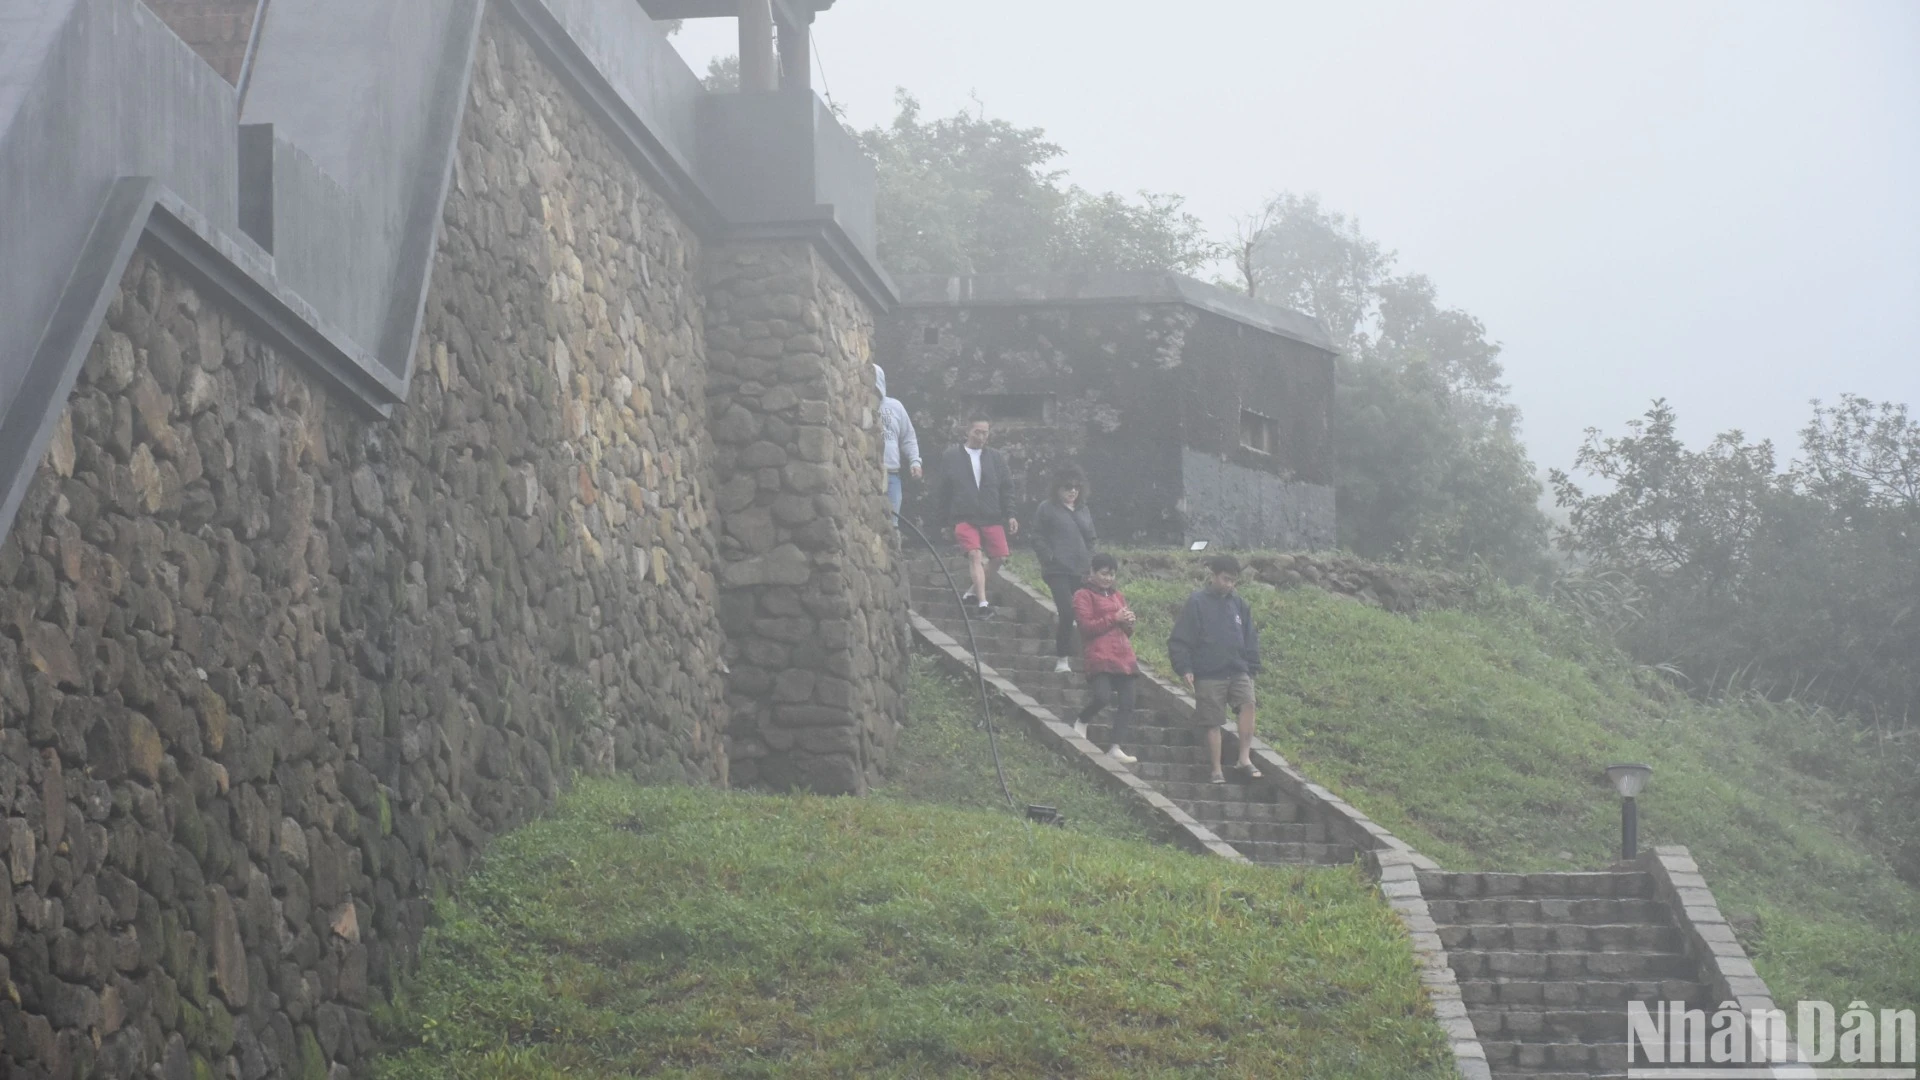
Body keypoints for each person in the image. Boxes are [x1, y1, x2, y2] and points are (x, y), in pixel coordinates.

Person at [1168, 554, 1265, 785]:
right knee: (1213, 721)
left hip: (1238, 668)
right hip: (1209, 671)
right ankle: (1216, 769)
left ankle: (1244, 758)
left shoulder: (1239, 604)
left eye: (1233, 580)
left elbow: (1250, 637)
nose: (1229, 584)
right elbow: (1180, 639)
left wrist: (1252, 666)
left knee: (1248, 704)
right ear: (1213, 576)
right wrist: (1185, 667)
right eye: (1225, 579)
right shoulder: (1197, 602)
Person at [930, 415, 1018, 617]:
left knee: (999, 558)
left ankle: (971, 593)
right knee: (974, 554)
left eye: (985, 432)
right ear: (967, 431)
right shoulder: (952, 456)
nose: (981, 436)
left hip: (991, 514)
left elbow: (1007, 488)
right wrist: (943, 521)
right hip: (963, 515)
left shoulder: (995, 457)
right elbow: (944, 489)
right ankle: (982, 602)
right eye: (977, 432)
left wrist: (1011, 514)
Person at [1072, 553, 1139, 765]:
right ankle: (1082, 720)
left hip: (1123, 655)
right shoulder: (1082, 595)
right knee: (1103, 696)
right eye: (1104, 573)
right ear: (1092, 572)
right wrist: (1114, 618)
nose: (1108, 578)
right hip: (1099, 654)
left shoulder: (1117, 596)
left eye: (1112, 574)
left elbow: (1126, 632)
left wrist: (1128, 622)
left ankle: (1115, 747)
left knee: (1128, 701)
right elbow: (1087, 627)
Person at [1031, 466, 1096, 673]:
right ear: (1058, 488)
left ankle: (1091, 657)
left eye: (1077, 487)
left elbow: (1091, 539)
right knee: (1067, 612)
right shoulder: (1047, 508)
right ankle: (1062, 658)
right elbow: (1037, 536)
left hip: (1081, 570)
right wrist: (1049, 557)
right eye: (1068, 487)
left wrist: (1090, 561)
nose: (1073, 491)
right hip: (1057, 570)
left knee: (1085, 614)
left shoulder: (1083, 510)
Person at [874, 364, 920, 517]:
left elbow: (908, 436)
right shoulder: (858, 404)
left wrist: (915, 461)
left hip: (892, 474)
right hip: (868, 473)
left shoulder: (895, 406)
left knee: (892, 524)